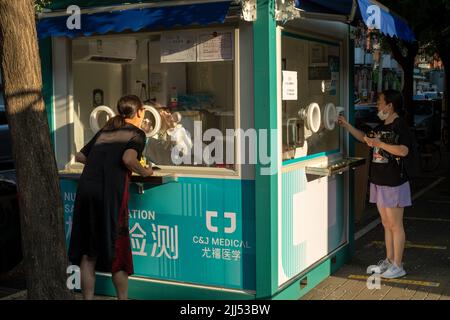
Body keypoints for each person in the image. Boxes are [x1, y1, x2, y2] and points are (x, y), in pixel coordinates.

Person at [68, 95, 153, 299]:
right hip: (109, 196)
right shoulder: (137, 133)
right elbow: (128, 159)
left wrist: (101, 161)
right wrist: (146, 172)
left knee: (89, 253)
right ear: (140, 112)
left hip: (86, 192)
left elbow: (80, 156)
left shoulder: (106, 131)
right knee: (118, 251)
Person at [338, 89, 412, 279]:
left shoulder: (400, 126)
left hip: (394, 182)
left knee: (396, 225)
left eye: (379, 102)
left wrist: (381, 144)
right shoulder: (380, 126)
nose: (377, 106)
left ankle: (398, 265)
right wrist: (347, 126)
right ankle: (389, 261)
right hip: (379, 181)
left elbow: (403, 151)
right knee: (386, 224)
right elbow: (364, 138)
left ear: (390, 105)